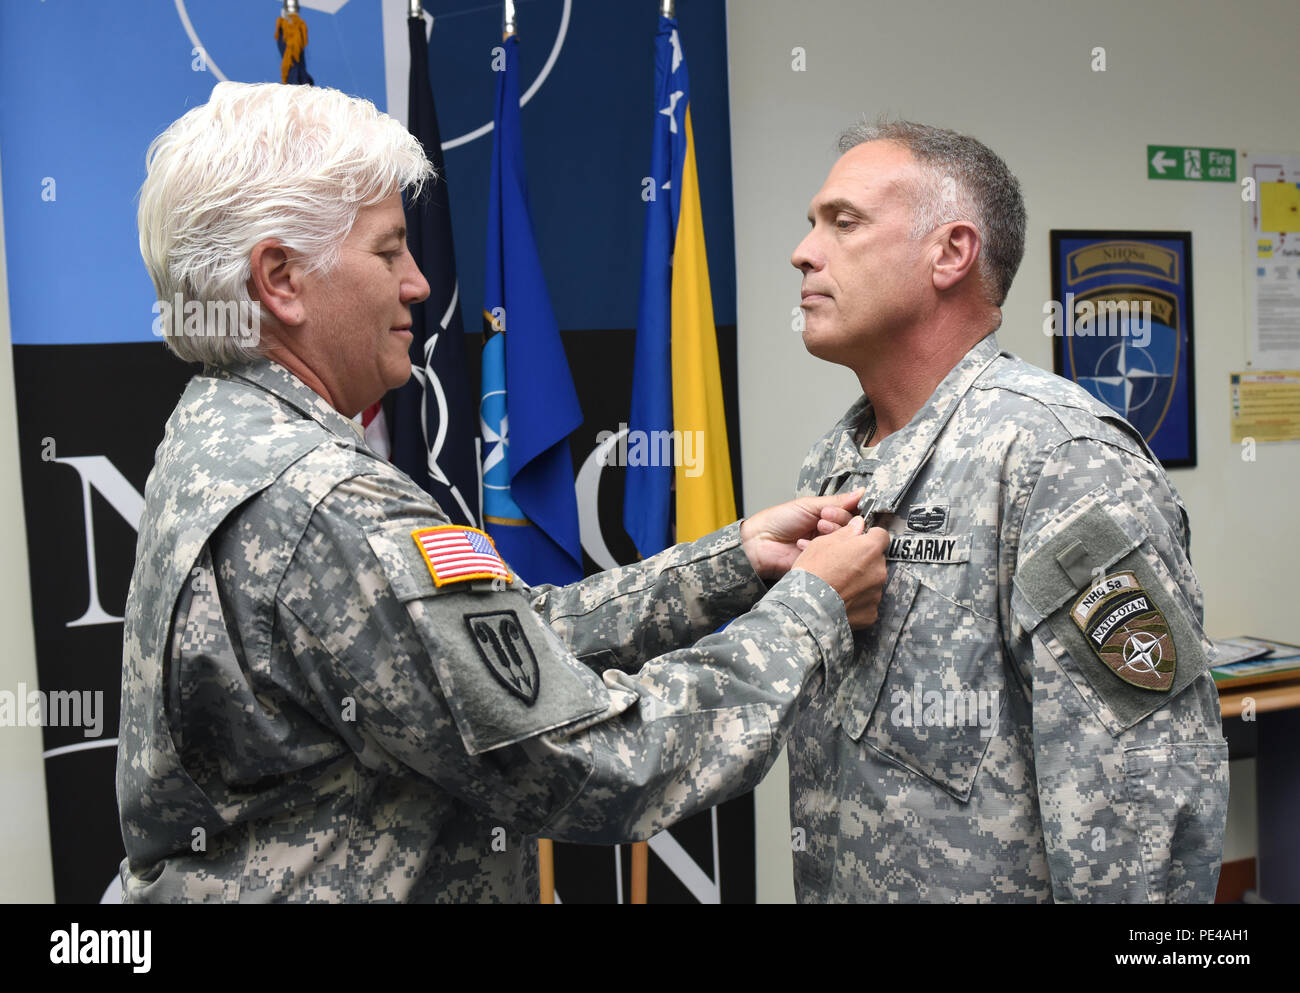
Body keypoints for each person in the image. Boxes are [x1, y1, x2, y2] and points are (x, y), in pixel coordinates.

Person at [117, 81, 889, 903]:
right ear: (280, 278)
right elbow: (597, 760)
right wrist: (810, 612)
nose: (418, 283)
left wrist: (727, 564)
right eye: (387, 252)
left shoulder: (215, 435)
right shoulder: (326, 505)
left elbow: (498, 649)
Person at [786, 120, 1228, 903]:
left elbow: (1140, 819)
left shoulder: (1061, 461)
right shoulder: (836, 461)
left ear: (950, 254)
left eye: (843, 222)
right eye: (812, 223)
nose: (805, 251)